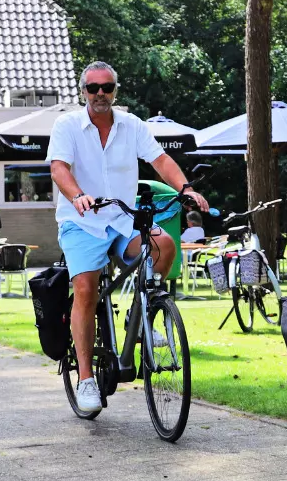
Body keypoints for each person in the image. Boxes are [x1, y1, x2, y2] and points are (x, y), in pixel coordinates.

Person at [50, 61, 209, 414]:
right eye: (93, 88)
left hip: (123, 220)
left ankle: (142, 318)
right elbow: (59, 167)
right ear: (83, 91)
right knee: (86, 289)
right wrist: (77, 195)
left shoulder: (132, 125)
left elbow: (160, 160)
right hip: (82, 221)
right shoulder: (67, 125)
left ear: (115, 91)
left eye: (107, 87)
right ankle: (86, 379)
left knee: (163, 245)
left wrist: (185, 188)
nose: (100, 94)